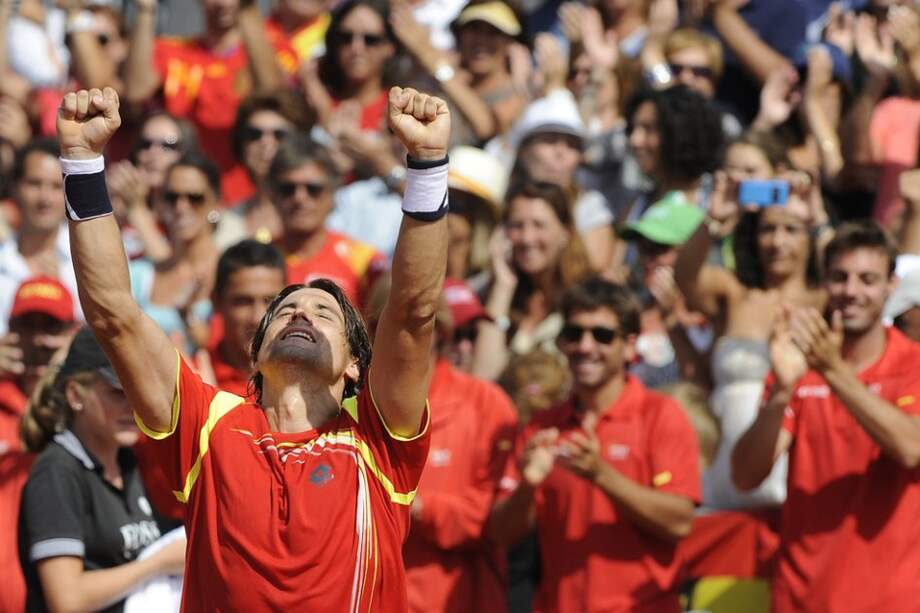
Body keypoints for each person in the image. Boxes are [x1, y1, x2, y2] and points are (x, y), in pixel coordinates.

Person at [56, 84, 451, 610]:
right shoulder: (208, 424)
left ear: (356, 364)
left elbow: (414, 310)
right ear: (256, 351)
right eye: (284, 312)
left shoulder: (378, 438)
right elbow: (113, 313)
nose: (302, 314)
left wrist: (426, 165)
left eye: (324, 313)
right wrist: (82, 163)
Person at [732, 221, 920, 612]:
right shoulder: (800, 366)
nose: (851, 292)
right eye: (839, 278)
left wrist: (832, 371)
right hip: (802, 598)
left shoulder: (913, 365)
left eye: (867, 279)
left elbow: (911, 448)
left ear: (890, 286)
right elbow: (746, 476)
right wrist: (781, 391)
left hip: (893, 600)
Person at [489, 276, 701, 613]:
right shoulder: (543, 427)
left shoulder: (661, 415)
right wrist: (527, 487)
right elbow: (500, 533)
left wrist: (602, 475)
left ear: (630, 345)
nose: (585, 346)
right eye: (574, 334)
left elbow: (679, 521)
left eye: (602, 335)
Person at [365, 276, 518, 613]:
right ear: (371, 332)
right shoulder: (346, 406)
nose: (402, 335)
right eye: (388, 323)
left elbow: (498, 521)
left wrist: (416, 506)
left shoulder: (486, 405)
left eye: (418, 322)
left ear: (443, 330)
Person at [18, 327, 186, 613]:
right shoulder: (56, 472)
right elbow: (67, 600)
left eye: (139, 390)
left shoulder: (129, 462)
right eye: (119, 392)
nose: (134, 405)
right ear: (75, 395)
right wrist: (158, 564)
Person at [123, 0, 298, 203]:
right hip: (186, 199)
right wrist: (146, 9)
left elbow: (274, 95)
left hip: (248, 199)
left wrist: (247, 11)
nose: (224, 3)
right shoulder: (173, 50)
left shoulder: (274, 49)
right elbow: (136, 91)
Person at [0, 276, 76, 613]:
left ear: (73, 332)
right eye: (26, 327)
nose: (39, 340)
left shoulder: (87, 404)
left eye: (51, 327)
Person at [476, 181, 592, 380]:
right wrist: (503, 286)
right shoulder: (493, 294)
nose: (527, 238)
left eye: (539, 225)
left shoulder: (589, 297)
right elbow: (483, 378)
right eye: (517, 225)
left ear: (565, 233)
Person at [270, 134, 387, 306]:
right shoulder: (257, 258)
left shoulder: (365, 260)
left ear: (333, 194)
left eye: (313, 189)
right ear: (273, 195)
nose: (300, 198)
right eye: (288, 189)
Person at [0, 138, 82, 334]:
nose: (45, 198)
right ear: (15, 187)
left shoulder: (88, 262)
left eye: (56, 186)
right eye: (35, 184)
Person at [208, 239, 288, 396]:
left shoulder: (309, 379)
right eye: (243, 302)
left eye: (270, 301)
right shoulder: (194, 379)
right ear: (216, 301)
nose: (258, 318)